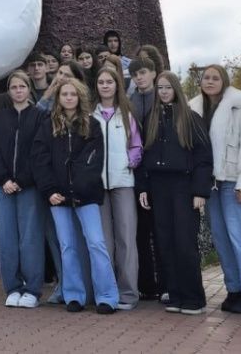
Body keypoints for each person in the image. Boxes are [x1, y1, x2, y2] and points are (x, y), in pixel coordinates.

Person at [32, 78, 118, 315]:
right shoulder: (48, 126)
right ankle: (74, 295)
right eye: (64, 94)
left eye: (73, 94)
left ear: (80, 97)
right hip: (57, 197)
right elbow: (40, 161)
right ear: (58, 98)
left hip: (86, 195)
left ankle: (107, 296)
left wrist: (77, 188)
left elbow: (93, 161)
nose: (69, 98)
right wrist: (50, 191)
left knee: (96, 243)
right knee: (67, 245)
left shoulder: (92, 125)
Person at [135, 71, 212, 315]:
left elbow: (203, 157)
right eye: (160, 88)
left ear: (176, 89)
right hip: (158, 187)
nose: (164, 91)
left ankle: (193, 298)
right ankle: (175, 294)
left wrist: (200, 191)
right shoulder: (151, 117)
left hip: (184, 187)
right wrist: (143, 187)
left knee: (185, 242)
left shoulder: (190, 118)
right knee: (164, 241)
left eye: (168, 87)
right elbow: (143, 156)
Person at [190, 64, 241, 314]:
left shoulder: (240, 110)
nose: (210, 81)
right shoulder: (194, 110)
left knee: (240, 236)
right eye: (206, 78)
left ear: (224, 81)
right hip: (210, 183)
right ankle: (234, 289)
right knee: (221, 238)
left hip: (234, 181)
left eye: (215, 78)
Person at [0, 71, 48, 308]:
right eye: (14, 87)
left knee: (30, 238)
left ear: (29, 89)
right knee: (7, 238)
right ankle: (12, 287)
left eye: (22, 86)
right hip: (3, 188)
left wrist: (22, 179)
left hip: (29, 187)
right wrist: (4, 179)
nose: (18, 90)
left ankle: (32, 289)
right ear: (9, 91)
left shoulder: (40, 117)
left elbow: (40, 152)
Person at [92, 68, 143, 310]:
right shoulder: (90, 113)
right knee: (104, 241)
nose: (105, 86)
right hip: (97, 186)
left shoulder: (127, 112)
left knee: (126, 239)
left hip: (123, 183)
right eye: (101, 82)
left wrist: (129, 163)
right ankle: (106, 291)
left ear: (117, 85)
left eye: (109, 82)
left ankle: (128, 294)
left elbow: (136, 145)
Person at [127, 57, 164, 300]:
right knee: (140, 231)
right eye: (135, 74)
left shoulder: (162, 99)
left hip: (159, 172)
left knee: (160, 230)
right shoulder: (129, 102)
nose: (139, 77)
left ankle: (166, 283)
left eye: (143, 72)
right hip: (136, 172)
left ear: (153, 73)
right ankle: (146, 284)